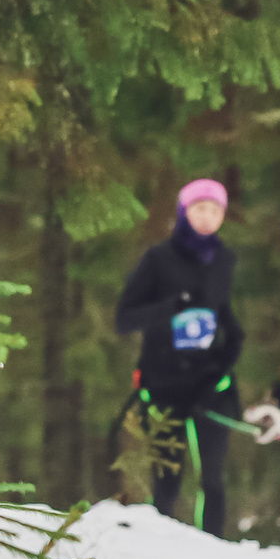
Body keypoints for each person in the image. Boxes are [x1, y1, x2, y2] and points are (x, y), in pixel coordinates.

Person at [114, 179, 247, 535]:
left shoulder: (225, 260)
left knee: (213, 478)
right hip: (163, 385)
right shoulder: (158, 259)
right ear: (183, 213)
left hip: (211, 385)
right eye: (199, 208)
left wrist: (229, 351)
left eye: (215, 210)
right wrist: (170, 309)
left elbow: (225, 314)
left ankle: (214, 549)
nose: (207, 217)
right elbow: (124, 318)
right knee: (167, 478)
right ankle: (164, 546)